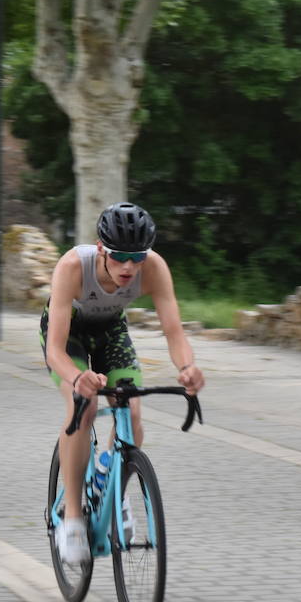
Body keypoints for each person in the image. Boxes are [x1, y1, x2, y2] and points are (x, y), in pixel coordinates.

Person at [40, 202, 205, 566]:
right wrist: (77, 376)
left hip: (111, 330)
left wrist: (188, 367)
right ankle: (71, 518)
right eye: (119, 257)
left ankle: (108, 479)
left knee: (131, 408)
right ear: (101, 248)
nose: (129, 267)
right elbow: (54, 351)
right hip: (70, 336)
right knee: (83, 409)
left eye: (137, 257)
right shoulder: (72, 267)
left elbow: (174, 332)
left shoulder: (155, 269)